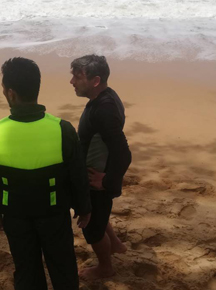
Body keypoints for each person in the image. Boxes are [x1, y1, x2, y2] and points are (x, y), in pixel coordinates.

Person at [0, 57, 92, 290]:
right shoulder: (62, 129)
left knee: (26, 268)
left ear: (10, 93)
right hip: (54, 213)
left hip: (15, 216)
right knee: (63, 267)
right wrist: (84, 207)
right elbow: (77, 175)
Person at [70, 54, 132, 279]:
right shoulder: (107, 96)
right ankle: (115, 244)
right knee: (99, 215)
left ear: (95, 81)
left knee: (92, 229)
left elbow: (124, 153)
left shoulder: (104, 109)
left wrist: (106, 181)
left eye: (77, 77)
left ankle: (105, 267)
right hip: (96, 175)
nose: (72, 82)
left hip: (96, 180)